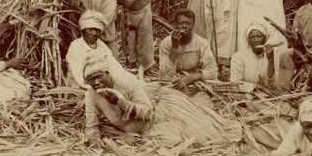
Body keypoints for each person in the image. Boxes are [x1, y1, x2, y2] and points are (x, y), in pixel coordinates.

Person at [67, 12, 241, 147]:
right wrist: (93, 138)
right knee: (166, 142)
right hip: (141, 126)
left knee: (203, 134)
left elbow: (148, 113)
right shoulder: (91, 93)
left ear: (107, 73)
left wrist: (121, 103)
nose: (96, 83)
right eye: (91, 79)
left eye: (99, 77)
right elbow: (91, 122)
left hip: (160, 108)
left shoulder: (125, 80)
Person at [66, 11, 154, 146]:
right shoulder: (76, 46)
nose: (94, 33)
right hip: (82, 86)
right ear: (83, 30)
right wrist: (96, 88)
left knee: (141, 92)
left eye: (97, 30)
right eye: (90, 29)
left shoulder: (101, 46)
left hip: (103, 83)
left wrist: (129, 81)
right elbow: (79, 76)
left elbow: (113, 66)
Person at [159, 8, 217, 106]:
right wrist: (174, 47)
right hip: (174, 86)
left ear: (193, 25)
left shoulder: (201, 43)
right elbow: (165, 75)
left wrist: (191, 77)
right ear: (175, 25)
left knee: (202, 107)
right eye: (181, 23)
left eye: (188, 23)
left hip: (195, 86)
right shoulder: (166, 43)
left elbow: (213, 70)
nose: (184, 26)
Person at [230, 20, 288, 94]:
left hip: (267, 95)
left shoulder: (272, 55)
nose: (256, 40)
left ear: (265, 39)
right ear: (248, 41)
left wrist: (270, 60)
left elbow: (272, 84)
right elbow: (235, 84)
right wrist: (260, 87)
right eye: (252, 37)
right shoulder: (238, 57)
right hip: (245, 95)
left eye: (259, 36)